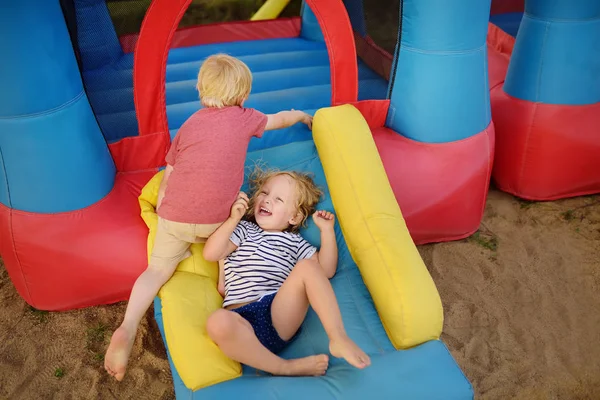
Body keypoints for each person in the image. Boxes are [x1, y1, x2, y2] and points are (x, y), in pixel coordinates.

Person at [104, 54, 313, 381]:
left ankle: (128, 326)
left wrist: (162, 205)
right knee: (241, 227)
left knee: (156, 270)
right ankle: (225, 280)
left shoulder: (188, 124)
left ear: (200, 90)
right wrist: (300, 115)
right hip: (214, 223)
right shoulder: (245, 117)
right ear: (243, 97)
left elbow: (170, 172)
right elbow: (280, 119)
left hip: (173, 216)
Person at [203, 170, 371, 376]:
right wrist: (233, 219)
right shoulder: (244, 229)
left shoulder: (296, 242)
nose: (266, 201)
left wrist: (327, 231)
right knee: (216, 321)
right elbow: (211, 254)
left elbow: (325, 271)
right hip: (239, 320)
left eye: (278, 199)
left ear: (294, 217)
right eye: (264, 193)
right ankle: (282, 367)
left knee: (308, 268)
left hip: (277, 314)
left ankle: (337, 337)